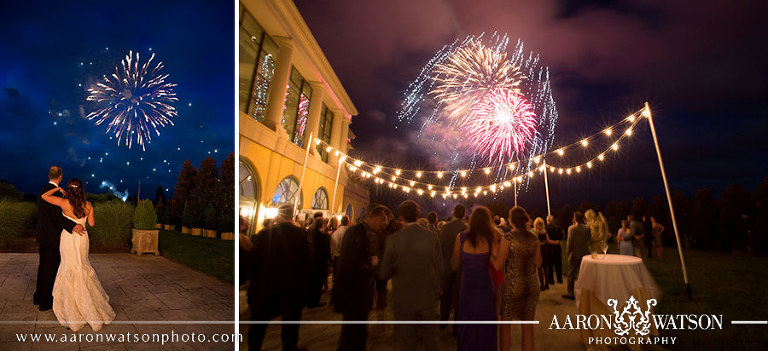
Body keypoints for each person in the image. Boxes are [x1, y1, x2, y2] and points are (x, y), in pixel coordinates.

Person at [41, 178, 115, 331]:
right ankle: (89, 306)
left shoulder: (64, 203)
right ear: (82, 190)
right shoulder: (88, 205)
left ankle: (72, 310)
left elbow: (44, 197)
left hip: (68, 238)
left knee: (69, 267)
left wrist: (57, 189)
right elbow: (92, 224)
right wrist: (87, 215)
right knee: (82, 266)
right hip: (83, 238)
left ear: (69, 190)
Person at [379, 200, 442, 351]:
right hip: (427, 298)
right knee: (431, 341)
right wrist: (438, 290)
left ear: (401, 217)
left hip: (403, 299)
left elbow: (383, 274)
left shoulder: (394, 240)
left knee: (407, 343)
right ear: (418, 214)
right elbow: (440, 268)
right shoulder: (432, 237)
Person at [247, 204, 311, 351]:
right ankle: (289, 347)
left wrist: (253, 280)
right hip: (291, 287)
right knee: (290, 323)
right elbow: (306, 263)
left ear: (278, 215)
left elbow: (252, 260)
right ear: (292, 216)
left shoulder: (265, 234)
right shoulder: (301, 235)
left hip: (265, 287)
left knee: (258, 325)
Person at [334, 205, 389, 351]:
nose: (383, 226)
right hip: (354, 292)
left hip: (358, 291)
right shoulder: (359, 233)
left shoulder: (361, 232)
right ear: (377, 218)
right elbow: (351, 264)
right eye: (383, 222)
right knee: (352, 333)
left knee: (355, 331)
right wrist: (373, 265)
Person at [34, 166, 85, 313]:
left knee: (43, 267)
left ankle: (38, 297)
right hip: (52, 238)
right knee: (50, 269)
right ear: (60, 177)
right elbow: (56, 216)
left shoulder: (44, 190)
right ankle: (45, 302)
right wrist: (73, 225)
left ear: (49, 175)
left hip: (43, 236)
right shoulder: (56, 193)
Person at [450, 206, 498, 350]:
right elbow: (497, 264)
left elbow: (454, 264)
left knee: (467, 324)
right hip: (485, 286)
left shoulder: (461, 237)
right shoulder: (490, 239)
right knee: (486, 326)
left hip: (467, 287)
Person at [495, 206, 541, 351]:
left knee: (505, 325)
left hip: (514, 286)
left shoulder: (508, 238)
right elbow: (539, 263)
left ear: (511, 221)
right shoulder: (534, 238)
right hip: (531, 286)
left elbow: (498, 265)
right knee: (528, 327)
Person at [438, 204, 467, 332]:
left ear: (454, 213)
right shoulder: (465, 229)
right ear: (464, 215)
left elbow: (439, 246)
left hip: (446, 265)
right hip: (461, 266)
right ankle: (457, 325)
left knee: (446, 295)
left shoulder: (444, 228)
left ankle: (443, 321)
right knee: (458, 296)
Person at [563, 211, 590, 300]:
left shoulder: (572, 229)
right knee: (583, 274)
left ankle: (570, 292)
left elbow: (569, 242)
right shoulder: (587, 229)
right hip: (584, 253)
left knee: (571, 273)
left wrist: (568, 252)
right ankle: (584, 291)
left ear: (574, 218)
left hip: (574, 253)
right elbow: (588, 240)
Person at [308, 217, 331, 308]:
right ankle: (315, 301)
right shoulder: (322, 235)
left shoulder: (311, 233)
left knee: (312, 281)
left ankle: (310, 300)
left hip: (313, 260)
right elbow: (325, 249)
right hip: (320, 261)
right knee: (317, 282)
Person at [330, 215, 350, 286]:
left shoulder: (336, 232)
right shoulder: (349, 232)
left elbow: (333, 245)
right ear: (348, 222)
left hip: (336, 256)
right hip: (345, 257)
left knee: (336, 276)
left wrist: (332, 256)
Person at [544, 215, 564, 285]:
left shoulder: (545, 228)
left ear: (547, 221)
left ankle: (551, 280)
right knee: (558, 264)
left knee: (550, 265)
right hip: (557, 248)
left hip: (549, 249)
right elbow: (561, 237)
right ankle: (559, 279)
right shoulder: (558, 228)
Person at [532, 217, 549, 291]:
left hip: (539, 250)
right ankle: (547, 284)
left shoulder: (535, 232)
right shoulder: (544, 231)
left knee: (539, 268)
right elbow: (548, 241)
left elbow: (534, 242)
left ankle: (542, 285)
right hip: (545, 249)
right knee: (546, 267)